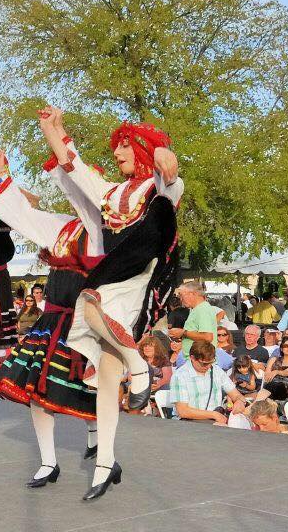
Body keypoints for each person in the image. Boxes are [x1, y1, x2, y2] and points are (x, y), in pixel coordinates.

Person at [40, 106, 183, 500]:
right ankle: (105, 463)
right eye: (117, 146)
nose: (116, 152)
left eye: (124, 146)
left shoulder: (159, 187)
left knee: (88, 301)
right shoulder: (109, 192)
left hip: (135, 278)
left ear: (140, 149)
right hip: (116, 277)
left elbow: (169, 174)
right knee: (105, 375)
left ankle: (139, 367)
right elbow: (74, 165)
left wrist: (162, 155)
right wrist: (53, 128)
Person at [0, 131, 101, 481]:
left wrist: (62, 144)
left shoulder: (104, 230)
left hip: (86, 323)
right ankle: (48, 462)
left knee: (85, 392)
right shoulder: (61, 225)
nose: (75, 198)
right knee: (37, 392)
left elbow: (78, 184)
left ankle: (96, 433)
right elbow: (23, 215)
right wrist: (2, 174)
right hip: (52, 321)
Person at [171, 341, 247, 423]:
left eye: (210, 362)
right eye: (204, 364)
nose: (208, 367)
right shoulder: (180, 375)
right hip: (189, 422)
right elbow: (183, 412)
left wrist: (239, 402)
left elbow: (236, 395)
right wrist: (214, 415)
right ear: (192, 358)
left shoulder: (216, 370)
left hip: (214, 419)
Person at [168, 282, 217, 361]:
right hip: (195, 359)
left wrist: (183, 333)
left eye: (181, 295)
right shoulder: (197, 309)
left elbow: (207, 337)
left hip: (199, 361)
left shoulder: (202, 310)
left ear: (191, 294)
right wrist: (182, 344)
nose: (180, 299)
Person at [256, 336, 288, 402]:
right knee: (273, 385)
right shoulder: (274, 359)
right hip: (271, 389)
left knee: (276, 385)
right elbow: (266, 377)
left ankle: (255, 404)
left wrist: (276, 372)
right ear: (281, 348)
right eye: (285, 346)